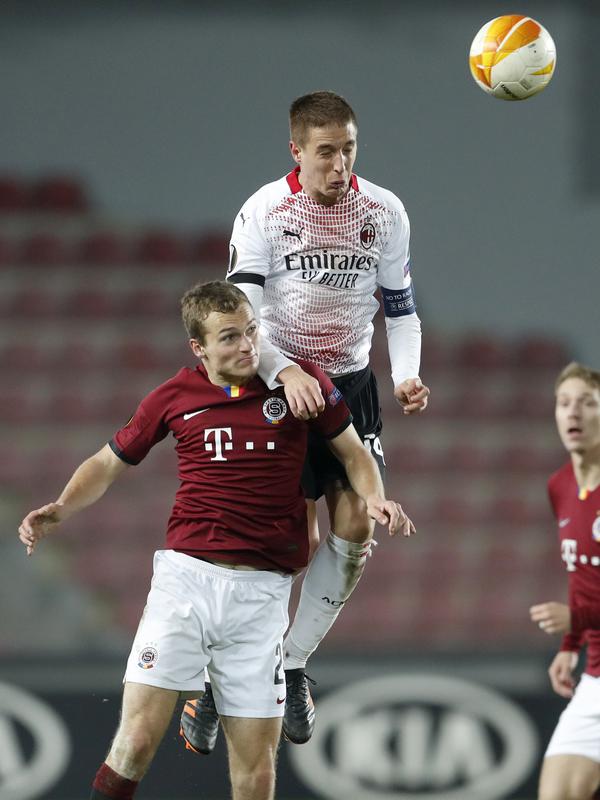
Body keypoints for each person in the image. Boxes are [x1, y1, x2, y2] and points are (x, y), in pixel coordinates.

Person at [18, 281, 414, 800]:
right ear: (198, 348)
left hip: (263, 600)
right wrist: (61, 508)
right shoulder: (173, 397)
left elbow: (354, 453)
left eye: (251, 331)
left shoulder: (300, 385)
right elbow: (107, 461)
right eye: (229, 337)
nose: (248, 345)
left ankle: (274, 671)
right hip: (185, 586)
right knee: (134, 742)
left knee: (257, 777)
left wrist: (376, 497)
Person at [181, 89, 430, 753]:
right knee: (281, 544)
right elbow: (239, 317)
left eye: (348, 148)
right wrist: (283, 368)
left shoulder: (385, 211)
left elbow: (401, 308)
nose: (339, 164)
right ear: (296, 150)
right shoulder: (265, 210)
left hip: (348, 385)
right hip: (275, 386)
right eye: (325, 152)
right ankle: (216, 680)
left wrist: (404, 374)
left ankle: (290, 666)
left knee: (356, 522)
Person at [529, 362, 600, 800]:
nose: (573, 413)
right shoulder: (559, 485)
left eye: (588, 403)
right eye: (564, 403)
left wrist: (574, 618)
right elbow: (582, 576)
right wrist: (570, 645)